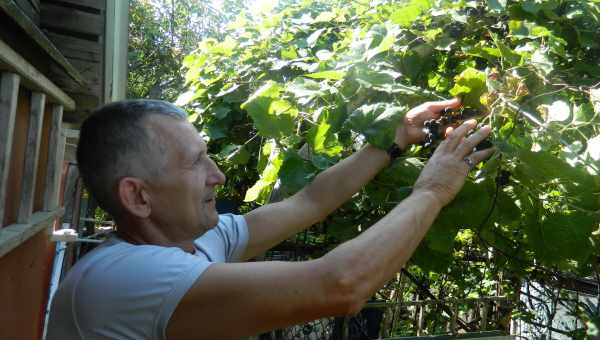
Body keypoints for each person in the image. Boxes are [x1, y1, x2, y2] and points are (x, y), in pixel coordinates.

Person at [46, 98, 494, 340]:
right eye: (196, 163)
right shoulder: (124, 279)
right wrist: (433, 190)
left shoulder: (195, 241)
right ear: (138, 197)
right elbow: (339, 286)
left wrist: (396, 138)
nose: (217, 176)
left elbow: (309, 203)